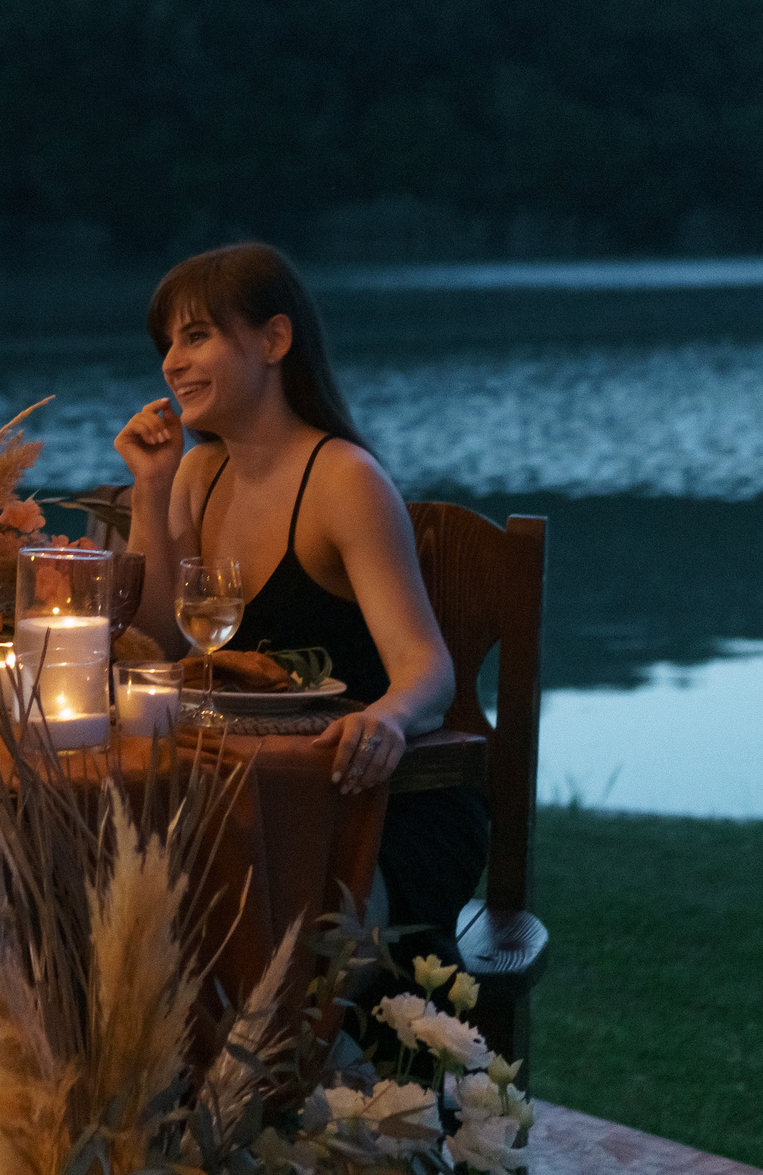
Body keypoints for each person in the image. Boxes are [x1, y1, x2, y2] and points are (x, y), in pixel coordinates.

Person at [114, 242, 490, 981]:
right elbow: (156, 644)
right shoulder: (197, 470)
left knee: (265, 964)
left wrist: (386, 716)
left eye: (197, 336)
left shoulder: (343, 481)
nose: (171, 363)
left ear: (274, 340)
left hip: (380, 811)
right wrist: (150, 491)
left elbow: (428, 668)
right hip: (255, 805)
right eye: (167, 344)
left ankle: (331, 1087)